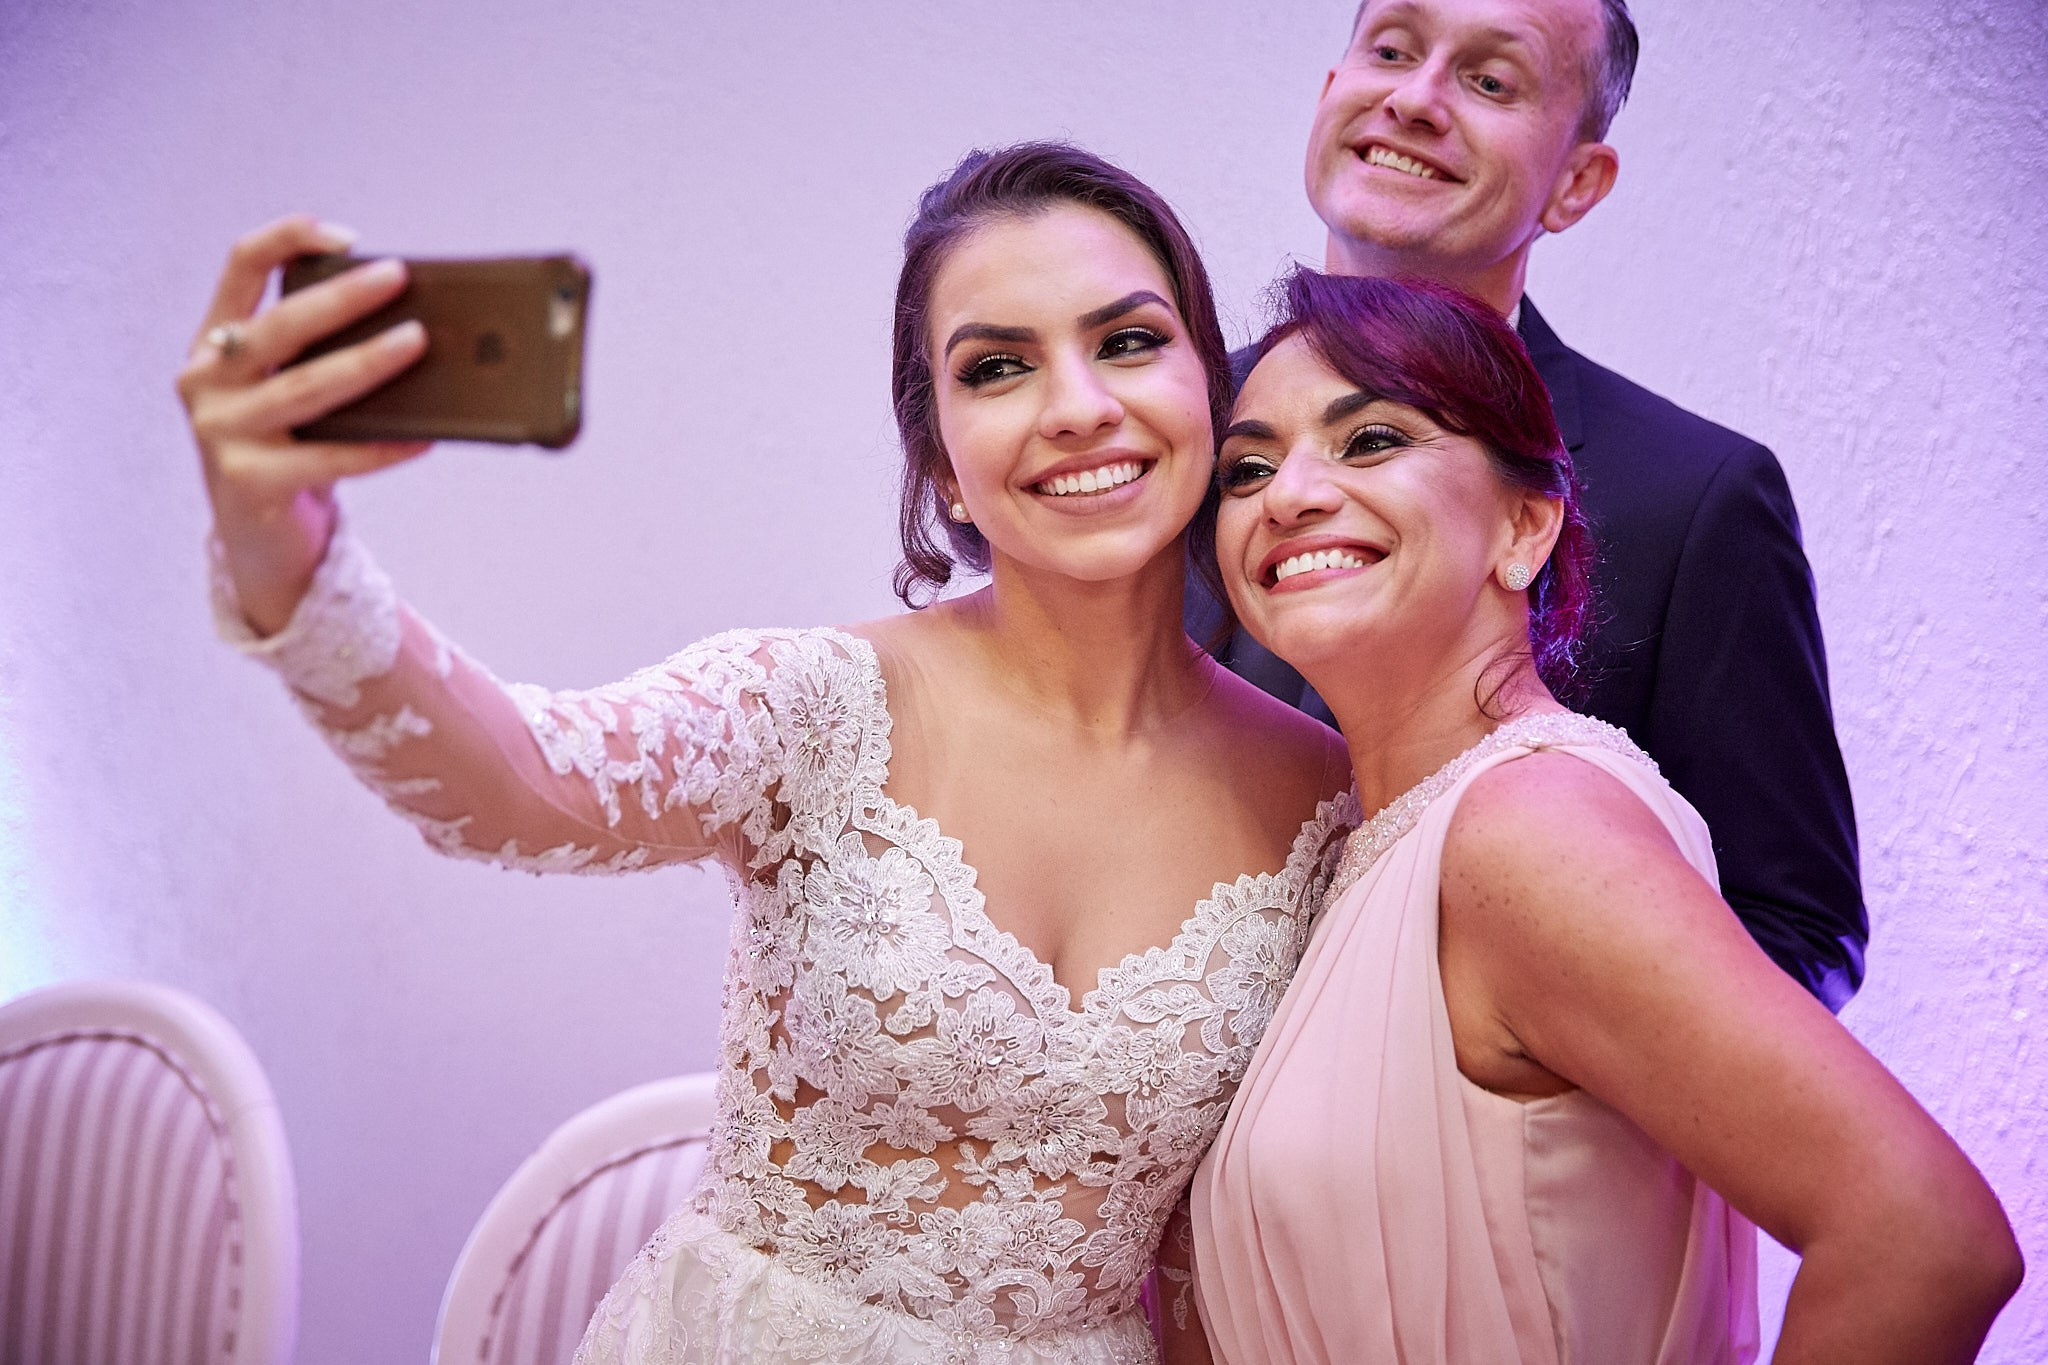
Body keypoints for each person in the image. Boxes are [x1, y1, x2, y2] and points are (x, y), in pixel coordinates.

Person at [176, 144, 1354, 1363]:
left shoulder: (1319, 793)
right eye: (997, 366)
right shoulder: (815, 707)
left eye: (1126, 341)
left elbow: (1220, 1252)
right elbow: (518, 784)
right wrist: (290, 560)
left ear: (1209, 392)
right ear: (940, 460)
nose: (1077, 406)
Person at [1190, 269, 2020, 1363]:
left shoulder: (1530, 830)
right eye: (1247, 466)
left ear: (1524, 528)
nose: (1286, 494)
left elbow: (1922, 1237)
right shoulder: (1353, 848)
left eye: (1370, 440)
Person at [1196, 0, 1867, 1008]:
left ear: (1576, 182)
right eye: (1390, 50)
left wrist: (1503, 1072)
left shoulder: (1690, 497)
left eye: (1488, 80)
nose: (1415, 100)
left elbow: (1793, 924)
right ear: (1330, 94)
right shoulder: (1172, 431)